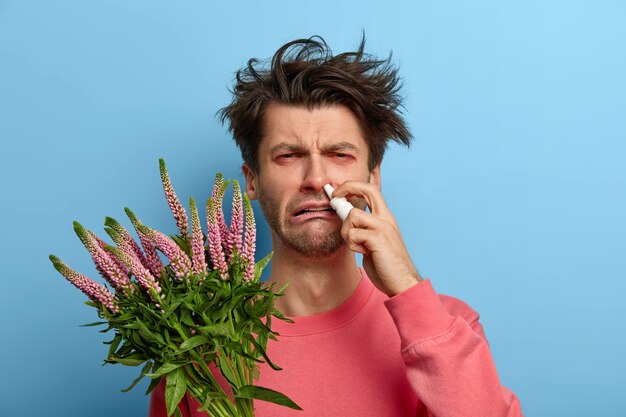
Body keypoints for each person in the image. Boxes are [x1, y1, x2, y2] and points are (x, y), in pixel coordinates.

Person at [149, 35, 524, 417]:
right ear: (252, 181)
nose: (315, 178)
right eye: (288, 156)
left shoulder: (447, 327)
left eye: (339, 154)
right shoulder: (194, 347)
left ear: (373, 177)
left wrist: (409, 291)